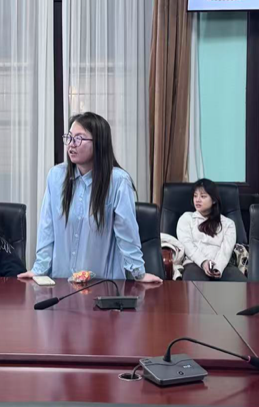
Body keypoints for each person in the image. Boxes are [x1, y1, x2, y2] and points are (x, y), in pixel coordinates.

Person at [19, 112, 161, 283]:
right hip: (61, 284)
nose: (71, 144)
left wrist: (139, 273)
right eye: (69, 138)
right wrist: (39, 270)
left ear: (99, 143)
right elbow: (47, 229)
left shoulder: (118, 181)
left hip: (103, 286)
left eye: (79, 138)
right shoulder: (56, 176)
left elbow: (126, 233)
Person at [174, 179, 245, 281]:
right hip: (194, 263)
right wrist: (203, 262)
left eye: (203, 196)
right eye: (195, 196)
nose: (197, 200)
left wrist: (218, 267)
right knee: (197, 287)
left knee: (243, 287)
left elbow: (226, 249)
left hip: (223, 265)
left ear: (214, 200)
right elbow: (187, 245)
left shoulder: (228, 224)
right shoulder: (186, 218)